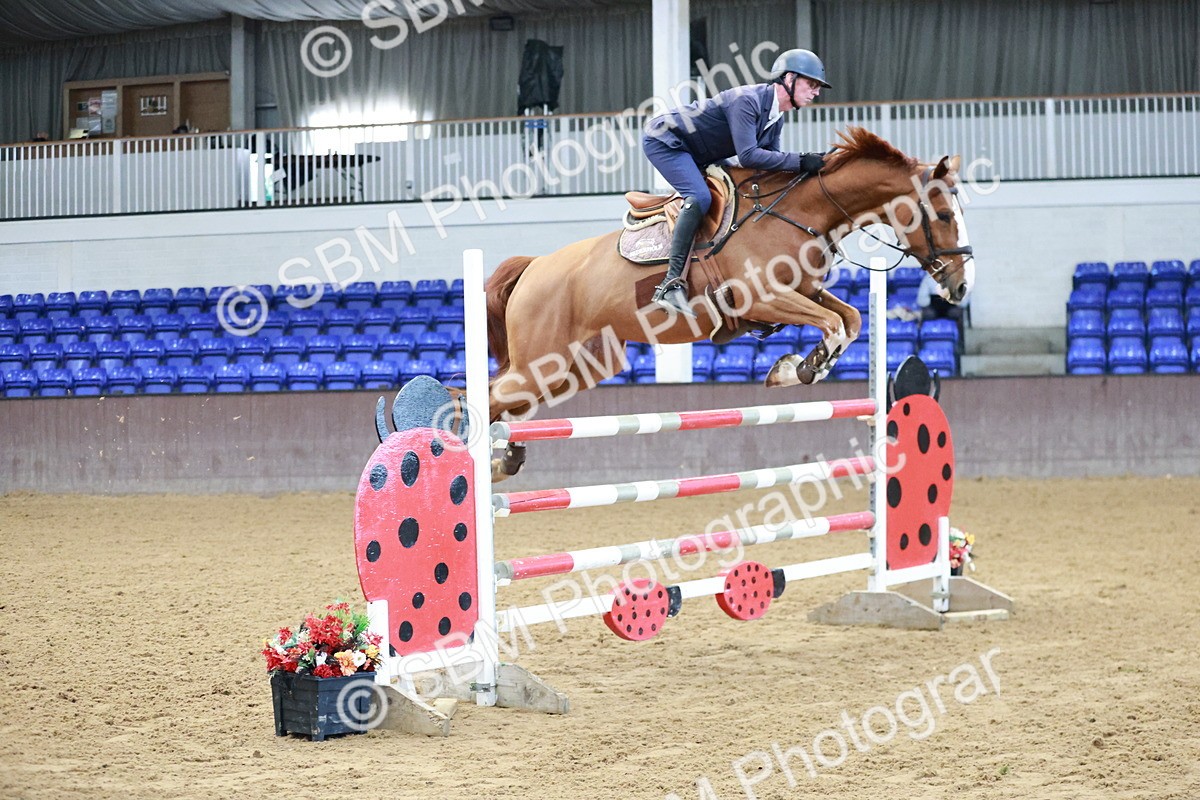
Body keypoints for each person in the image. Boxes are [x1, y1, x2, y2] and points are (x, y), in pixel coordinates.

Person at [641, 48, 832, 317]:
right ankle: (670, 284)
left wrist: (811, 169)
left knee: (743, 192)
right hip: (667, 142)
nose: (816, 92)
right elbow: (749, 155)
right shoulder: (747, 101)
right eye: (811, 84)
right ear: (789, 79)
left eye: (817, 87)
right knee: (700, 197)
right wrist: (802, 160)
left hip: (701, 152)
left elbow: (766, 166)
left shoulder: (775, 117)